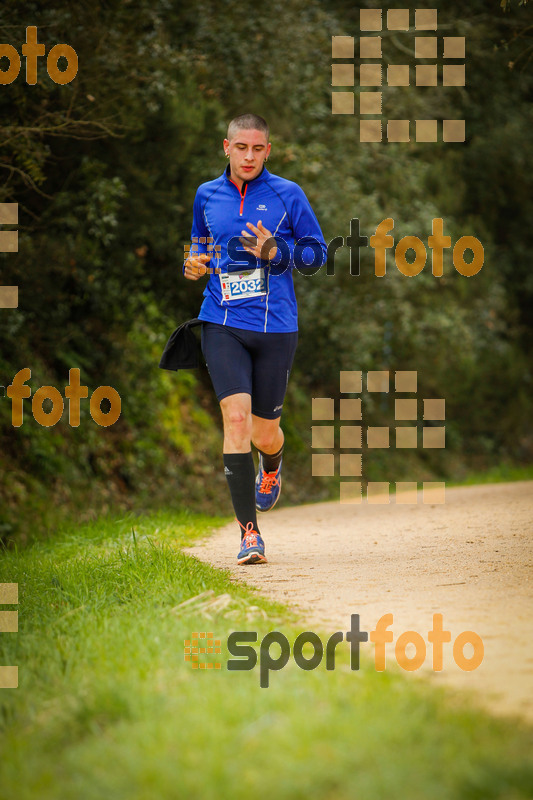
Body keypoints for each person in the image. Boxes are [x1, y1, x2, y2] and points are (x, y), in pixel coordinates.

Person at [183, 113, 326, 564]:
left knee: (264, 433)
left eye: (257, 149)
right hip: (221, 320)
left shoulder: (288, 195)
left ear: (268, 150)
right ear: (226, 147)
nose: (249, 156)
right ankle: (250, 535)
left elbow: (316, 255)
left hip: (275, 327)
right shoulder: (206, 195)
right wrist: (193, 264)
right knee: (237, 421)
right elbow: (198, 245)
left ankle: (273, 461)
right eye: (241, 147)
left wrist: (276, 250)